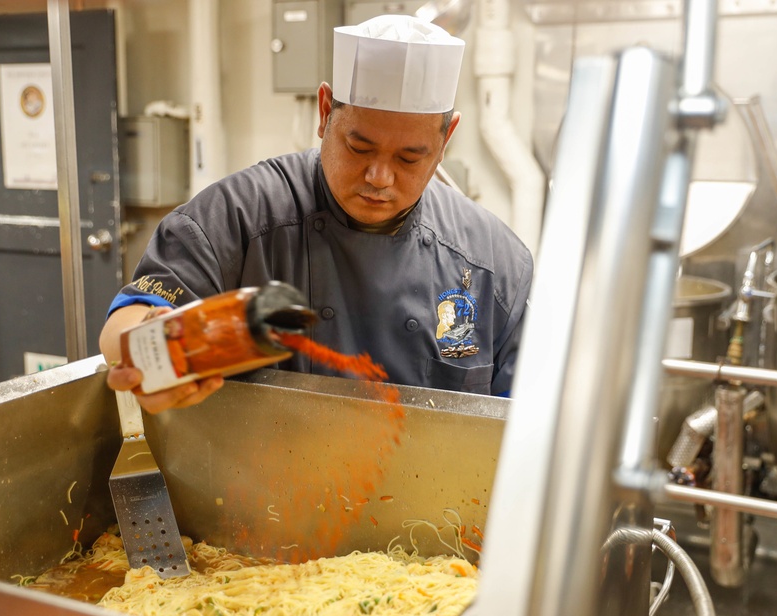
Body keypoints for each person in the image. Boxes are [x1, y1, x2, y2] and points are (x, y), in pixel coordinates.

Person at [100, 14, 534, 414]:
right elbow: (130, 321)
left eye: (409, 158)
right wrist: (146, 351)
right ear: (325, 112)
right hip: (254, 491)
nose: (379, 177)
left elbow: (526, 424)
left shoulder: (493, 262)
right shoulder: (240, 216)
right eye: (359, 147)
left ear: (446, 139)